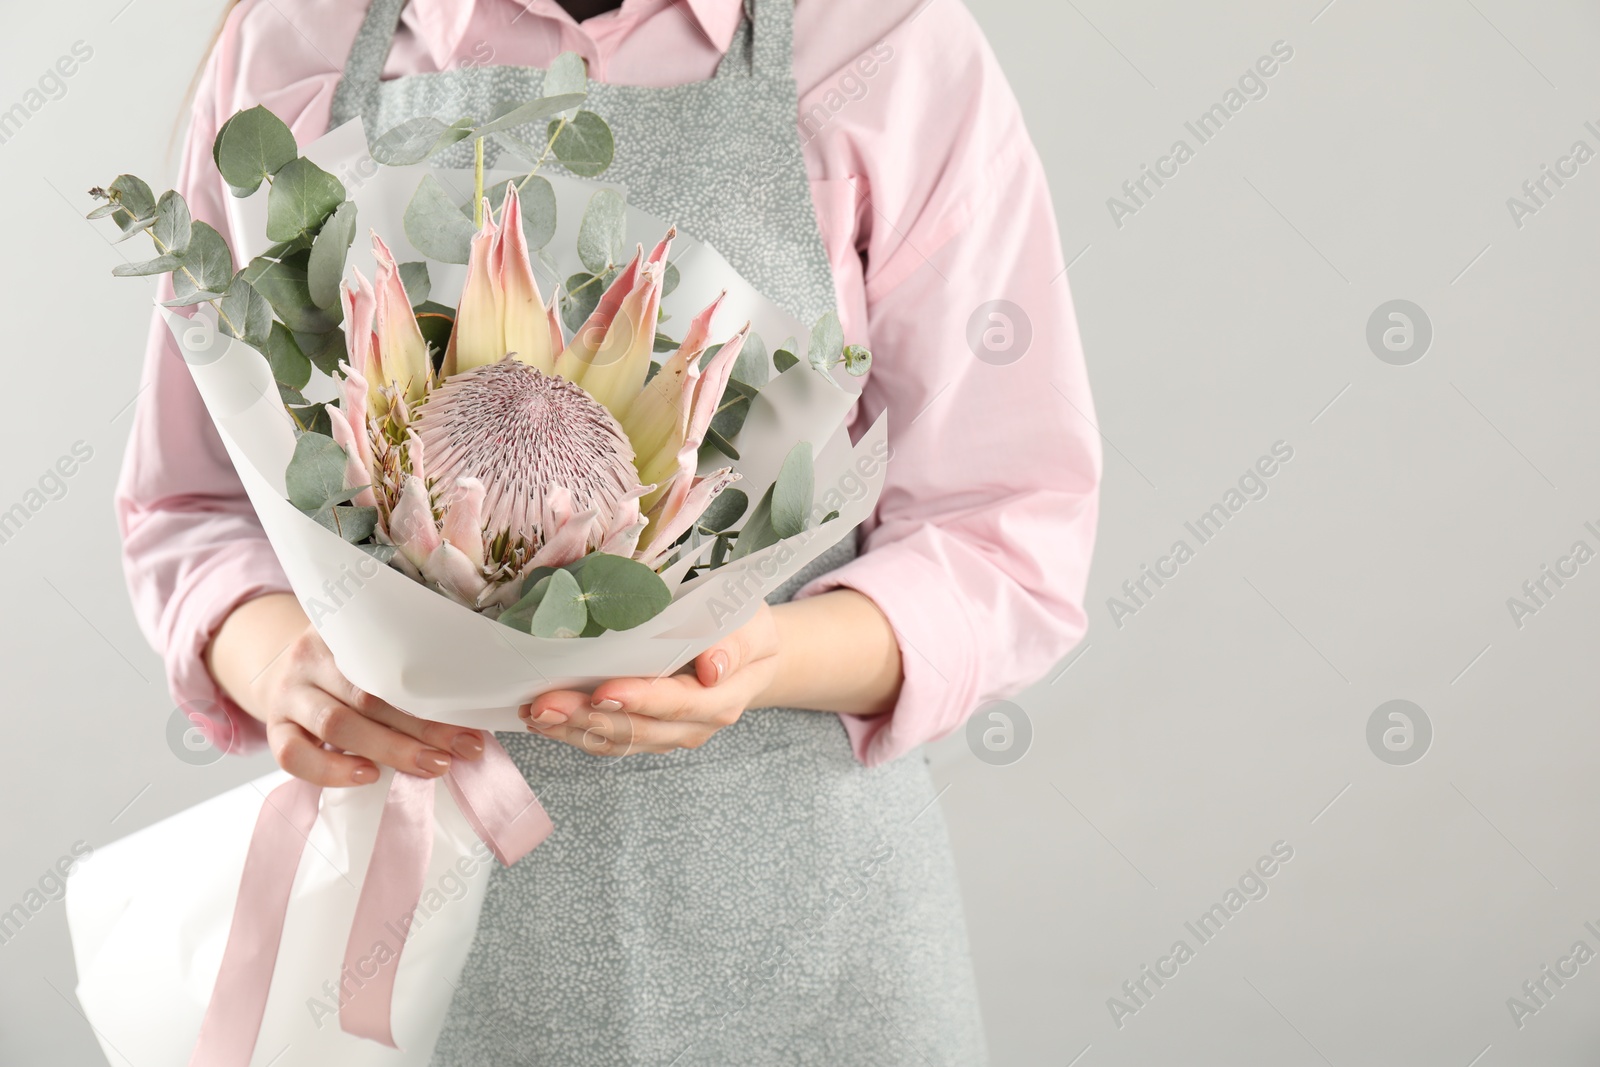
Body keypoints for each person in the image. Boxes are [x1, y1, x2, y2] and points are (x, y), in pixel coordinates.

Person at [116, 0, 1101, 1061]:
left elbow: (1004, 528)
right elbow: (192, 506)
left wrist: (758, 657)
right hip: (413, 947)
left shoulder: (886, 43)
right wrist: (287, 665)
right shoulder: (293, 42)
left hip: (802, 942)